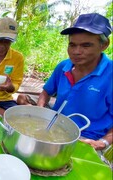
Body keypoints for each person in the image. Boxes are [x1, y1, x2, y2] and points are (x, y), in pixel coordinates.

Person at [18, 13, 112, 151]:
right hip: (54, 125)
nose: (77, 52)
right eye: (72, 45)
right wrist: (40, 108)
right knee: (21, 102)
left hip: (86, 138)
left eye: (86, 45)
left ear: (104, 45)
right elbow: (46, 92)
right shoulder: (64, 66)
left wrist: (102, 142)